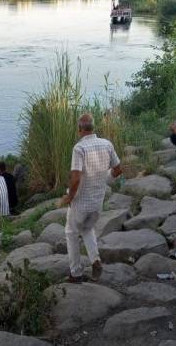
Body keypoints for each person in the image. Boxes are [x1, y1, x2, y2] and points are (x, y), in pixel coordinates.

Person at [59, 114, 122, 284]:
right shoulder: (107, 144)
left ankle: (76, 273)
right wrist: (104, 179)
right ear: (93, 128)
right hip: (97, 203)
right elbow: (117, 170)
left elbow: (76, 178)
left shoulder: (79, 149)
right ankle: (95, 260)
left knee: (71, 233)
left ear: (80, 129)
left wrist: (69, 197)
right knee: (87, 229)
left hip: (80, 203)